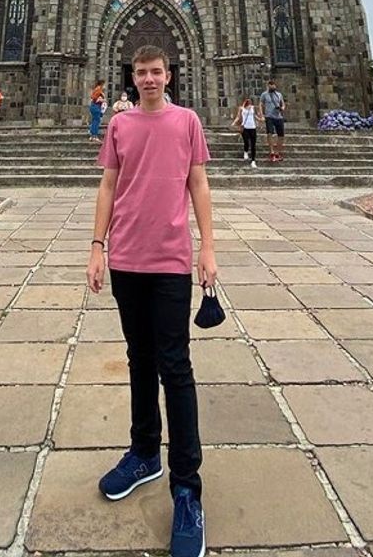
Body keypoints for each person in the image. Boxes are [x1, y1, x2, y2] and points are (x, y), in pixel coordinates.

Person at [87, 44, 216, 557]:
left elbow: (199, 184)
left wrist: (208, 247)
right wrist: (97, 247)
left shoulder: (188, 122)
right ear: (132, 76)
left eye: (156, 71)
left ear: (169, 75)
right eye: (141, 72)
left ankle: (187, 488)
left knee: (174, 367)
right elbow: (108, 185)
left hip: (170, 263)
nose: (149, 79)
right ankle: (144, 453)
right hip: (125, 259)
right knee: (138, 360)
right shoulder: (119, 126)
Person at [259, 79, 286, 162]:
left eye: (273, 85)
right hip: (269, 116)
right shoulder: (264, 94)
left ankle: (277, 152)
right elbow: (260, 104)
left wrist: (282, 108)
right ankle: (272, 152)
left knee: (281, 135)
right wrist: (262, 115)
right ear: (268, 86)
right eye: (270, 85)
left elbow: (283, 104)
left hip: (278, 116)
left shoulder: (279, 94)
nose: (272, 86)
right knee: (270, 133)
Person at [232, 95, 258, 168]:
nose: (249, 104)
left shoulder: (253, 108)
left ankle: (253, 161)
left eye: (250, 102)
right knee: (246, 141)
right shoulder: (241, 109)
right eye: (248, 102)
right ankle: (245, 152)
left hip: (253, 127)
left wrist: (260, 119)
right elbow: (238, 117)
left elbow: (255, 116)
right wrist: (234, 123)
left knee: (253, 144)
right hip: (245, 127)